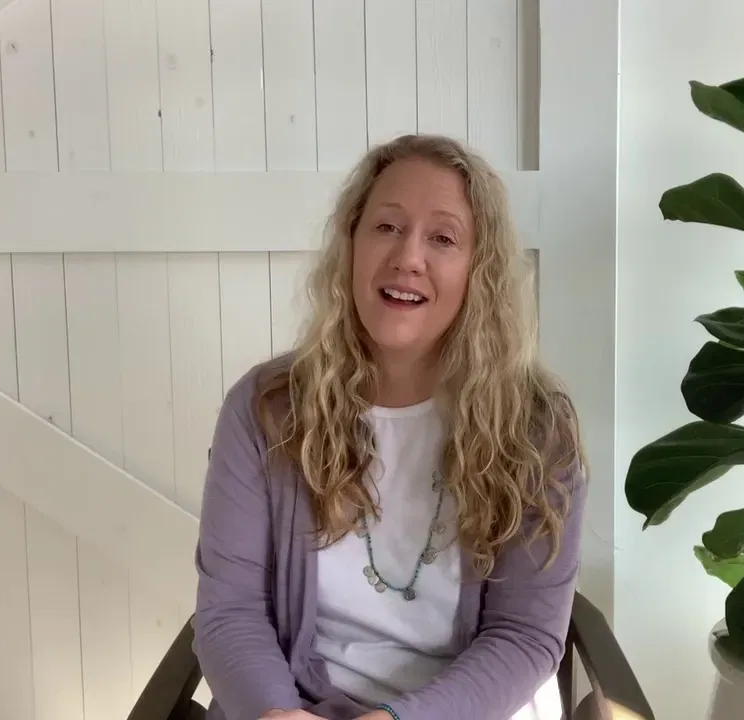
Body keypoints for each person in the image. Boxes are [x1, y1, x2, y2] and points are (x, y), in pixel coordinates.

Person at [193, 133, 588, 720]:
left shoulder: (536, 429)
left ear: (479, 270)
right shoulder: (265, 408)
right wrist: (276, 714)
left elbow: (525, 636)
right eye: (386, 227)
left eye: (443, 237)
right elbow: (231, 611)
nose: (408, 256)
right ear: (351, 242)